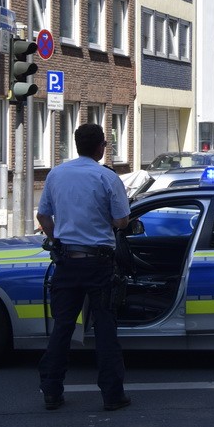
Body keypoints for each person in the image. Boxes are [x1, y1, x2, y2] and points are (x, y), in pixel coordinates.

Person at [36, 123, 131, 411]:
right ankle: (112, 395)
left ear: (76, 145)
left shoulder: (56, 174)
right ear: (101, 147)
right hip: (99, 265)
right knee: (105, 329)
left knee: (62, 328)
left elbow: (43, 216)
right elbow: (122, 221)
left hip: (66, 263)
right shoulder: (106, 177)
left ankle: (52, 391)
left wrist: (57, 239)